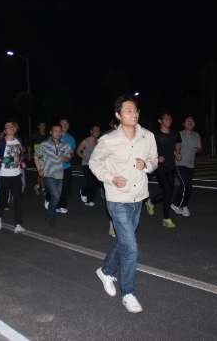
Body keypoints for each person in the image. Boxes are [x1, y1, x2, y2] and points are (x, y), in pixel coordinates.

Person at [89, 94, 158, 313]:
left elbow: (154, 161)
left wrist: (147, 165)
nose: (133, 113)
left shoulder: (148, 136)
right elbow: (94, 163)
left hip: (138, 198)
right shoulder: (108, 140)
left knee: (122, 241)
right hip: (118, 199)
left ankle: (105, 271)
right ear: (118, 115)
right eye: (128, 110)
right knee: (131, 248)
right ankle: (128, 293)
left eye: (135, 110)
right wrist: (111, 178)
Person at [146, 110, 182, 228]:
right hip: (160, 167)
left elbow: (178, 143)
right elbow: (148, 150)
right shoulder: (155, 135)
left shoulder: (175, 133)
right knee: (168, 191)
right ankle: (166, 218)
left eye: (170, 118)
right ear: (160, 121)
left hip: (171, 166)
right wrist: (157, 157)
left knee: (169, 192)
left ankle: (151, 202)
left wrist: (177, 152)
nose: (168, 120)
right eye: (165, 118)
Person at [34, 123, 71, 226]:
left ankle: (49, 214)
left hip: (59, 174)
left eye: (60, 131)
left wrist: (67, 159)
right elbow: (36, 156)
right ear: (50, 132)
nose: (58, 133)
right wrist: (39, 169)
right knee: (56, 195)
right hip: (48, 174)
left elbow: (68, 158)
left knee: (56, 197)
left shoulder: (65, 145)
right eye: (56, 131)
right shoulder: (45, 144)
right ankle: (51, 216)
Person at [0, 120, 27, 233]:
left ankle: (18, 224)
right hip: (4, 176)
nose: (11, 128)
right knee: (3, 198)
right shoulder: (2, 143)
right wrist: (12, 159)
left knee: (18, 200)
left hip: (16, 175)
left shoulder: (19, 141)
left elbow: (20, 155)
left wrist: (21, 162)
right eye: (8, 126)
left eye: (12, 126)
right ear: (4, 131)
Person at [171, 116, 202, 217]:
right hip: (180, 163)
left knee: (185, 185)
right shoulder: (180, 134)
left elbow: (200, 147)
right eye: (187, 121)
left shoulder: (197, 135)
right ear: (183, 124)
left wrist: (198, 150)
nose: (190, 122)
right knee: (187, 184)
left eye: (192, 120)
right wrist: (177, 153)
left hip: (190, 164)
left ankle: (176, 204)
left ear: (194, 123)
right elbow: (175, 146)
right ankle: (181, 205)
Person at [76, 125, 101, 206]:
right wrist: (85, 158)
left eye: (98, 131)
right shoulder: (85, 141)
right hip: (86, 165)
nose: (97, 132)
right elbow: (78, 151)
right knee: (91, 182)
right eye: (95, 130)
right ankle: (84, 191)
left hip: (95, 165)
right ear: (91, 131)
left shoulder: (99, 142)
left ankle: (90, 200)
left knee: (96, 182)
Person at [55, 118, 76, 213]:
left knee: (66, 187)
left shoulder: (71, 138)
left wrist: (69, 158)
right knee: (55, 188)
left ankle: (62, 205)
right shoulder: (53, 137)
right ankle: (51, 199)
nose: (64, 125)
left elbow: (72, 152)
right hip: (55, 167)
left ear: (69, 125)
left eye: (66, 123)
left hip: (67, 167)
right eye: (62, 123)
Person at [28, 121, 48, 196]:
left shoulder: (48, 135)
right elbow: (29, 145)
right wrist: (29, 154)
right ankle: (43, 189)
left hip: (46, 157)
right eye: (41, 125)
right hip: (38, 157)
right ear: (38, 126)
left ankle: (37, 185)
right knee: (41, 172)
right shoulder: (35, 135)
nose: (43, 127)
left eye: (44, 125)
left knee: (41, 172)